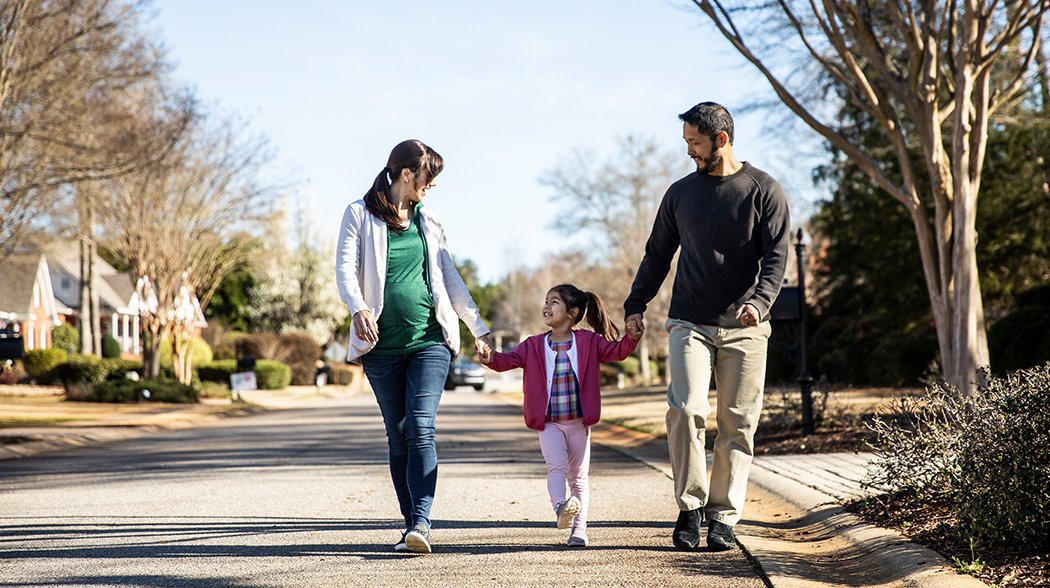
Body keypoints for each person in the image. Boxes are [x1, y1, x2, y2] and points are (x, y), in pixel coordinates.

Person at [624, 102, 790, 552]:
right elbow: (657, 254)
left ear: (721, 140)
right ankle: (690, 507)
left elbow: (777, 258)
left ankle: (723, 515)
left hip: (746, 324)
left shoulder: (763, 191)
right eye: (687, 143)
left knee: (737, 422)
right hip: (689, 320)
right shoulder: (680, 194)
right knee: (685, 408)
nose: (690, 152)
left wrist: (759, 303)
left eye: (695, 143)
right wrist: (636, 304)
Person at [336, 139, 493, 555]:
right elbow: (345, 270)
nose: (432, 185)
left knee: (421, 426)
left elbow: (450, 277)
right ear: (407, 174)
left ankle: (422, 518)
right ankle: (411, 525)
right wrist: (358, 309)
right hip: (381, 347)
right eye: (429, 177)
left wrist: (477, 326)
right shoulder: (359, 214)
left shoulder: (431, 222)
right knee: (399, 434)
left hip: (430, 340)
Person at [478, 284, 643, 547]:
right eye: (546, 301)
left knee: (579, 478)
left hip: (579, 423)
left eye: (554, 302)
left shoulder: (588, 342)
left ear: (572, 312)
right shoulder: (533, 345)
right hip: (550, 424)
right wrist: (489, 358)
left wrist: (632, 337)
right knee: (556, 467)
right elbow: (505, 361)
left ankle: (579, 530)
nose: (546, 306)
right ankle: (560, 508)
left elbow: (618, 351)